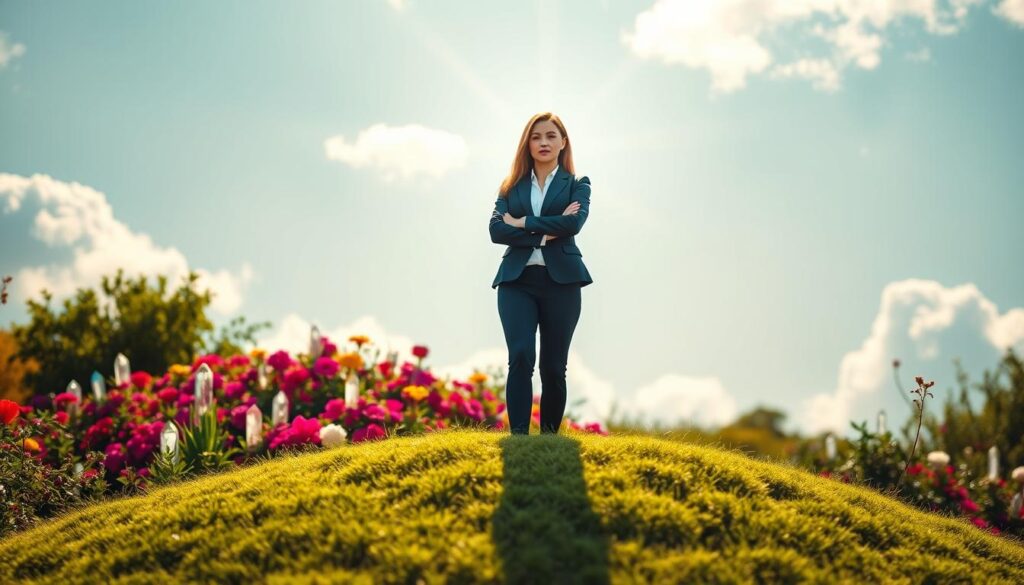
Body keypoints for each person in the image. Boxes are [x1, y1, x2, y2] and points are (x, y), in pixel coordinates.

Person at [488, 112, 593, 435]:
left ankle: (548, 438)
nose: (543, 142)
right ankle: (518, 436)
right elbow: (495, 230)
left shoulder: (578, 185)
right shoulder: (510, 187)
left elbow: (573, 224)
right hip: (516, 282)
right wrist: (549, 230)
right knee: (520, 355)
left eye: (550, 136)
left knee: (553, 366)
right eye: (536, 137)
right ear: (527, 144)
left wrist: (522, 224)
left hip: (562, 284)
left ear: (563, 143)